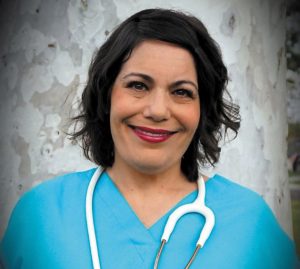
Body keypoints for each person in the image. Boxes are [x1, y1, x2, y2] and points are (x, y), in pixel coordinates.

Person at [0, 8, 299, 269]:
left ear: (202, 111)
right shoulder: (40, 214)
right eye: (138, 85)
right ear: (107, 97)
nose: (157, 110)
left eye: (182, 92)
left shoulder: (251, 223)